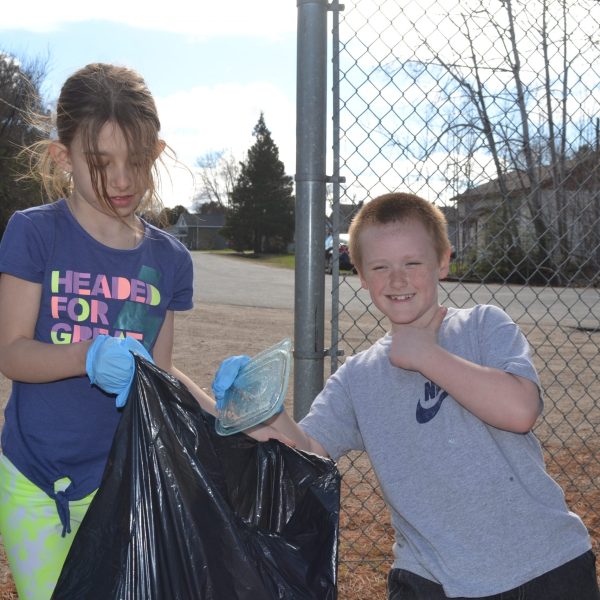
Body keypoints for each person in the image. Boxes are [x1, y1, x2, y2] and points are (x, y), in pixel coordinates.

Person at [215, 191, 600, 599]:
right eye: (380, 267)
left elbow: (520, 410)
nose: (397, 280)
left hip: (542, 566)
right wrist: (260, 411)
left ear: (443, 262)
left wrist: (426, 354)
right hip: (430, 578)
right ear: (361, 276)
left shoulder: (483, 326)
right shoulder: (357, 378)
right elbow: (307, 450)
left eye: (412, 263)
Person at [0, 62, 254, 599]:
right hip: (31, 481)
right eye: (100, 163)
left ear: (156, 154)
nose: (122, 180)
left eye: (136, 162)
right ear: (61, 156)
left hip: (123, 481)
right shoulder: (33, 234)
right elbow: (12, 353)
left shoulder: (170, 260)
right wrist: (86, 355)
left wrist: (224, 414)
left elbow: (155, 375)